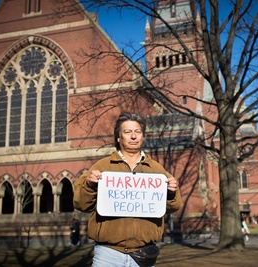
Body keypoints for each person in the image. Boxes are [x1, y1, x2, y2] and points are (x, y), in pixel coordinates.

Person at [73, 112, 182, 267]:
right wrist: (89, 186)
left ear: (143, 137)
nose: (133, 136)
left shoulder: (157, 170)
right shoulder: (102, 167)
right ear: (118, 137)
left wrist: (171, 192)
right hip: (107, 253)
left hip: (143, 255)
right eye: (127, 132)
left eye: (138, 132)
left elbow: (173, 206)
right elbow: (81, 204)